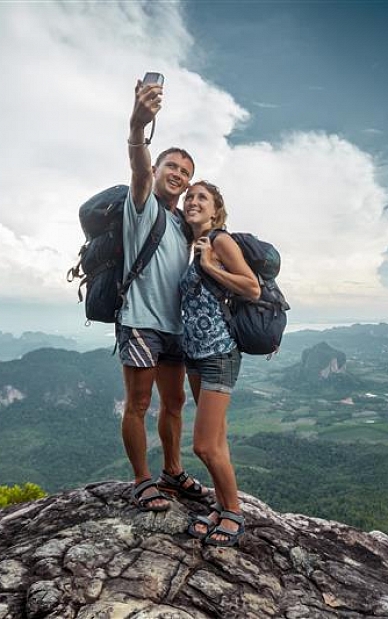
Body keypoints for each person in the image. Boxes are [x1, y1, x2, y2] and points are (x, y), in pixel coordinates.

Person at [120, 78, 209, 511]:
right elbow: (137, 165)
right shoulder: (143, 205)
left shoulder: (181, 225)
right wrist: (139, 126)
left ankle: (173, 472)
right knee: (138, 403)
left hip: (175, 327)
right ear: (158, 171)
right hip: (140, 320)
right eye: (172, 167)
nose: (178, 175)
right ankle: (141, 480)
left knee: (173, 404)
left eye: (186, 173)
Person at [180, 181, 261, 546]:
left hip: (219, 354)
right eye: (190, 197)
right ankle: (222, 504)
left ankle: (234, 513)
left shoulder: (220, 240)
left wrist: (210, 266)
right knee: (218, 440)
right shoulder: (188, 245)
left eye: (202, 198)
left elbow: (251, 287)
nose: (193, 201)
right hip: (194, 355)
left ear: (215, 211)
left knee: (203, 446)